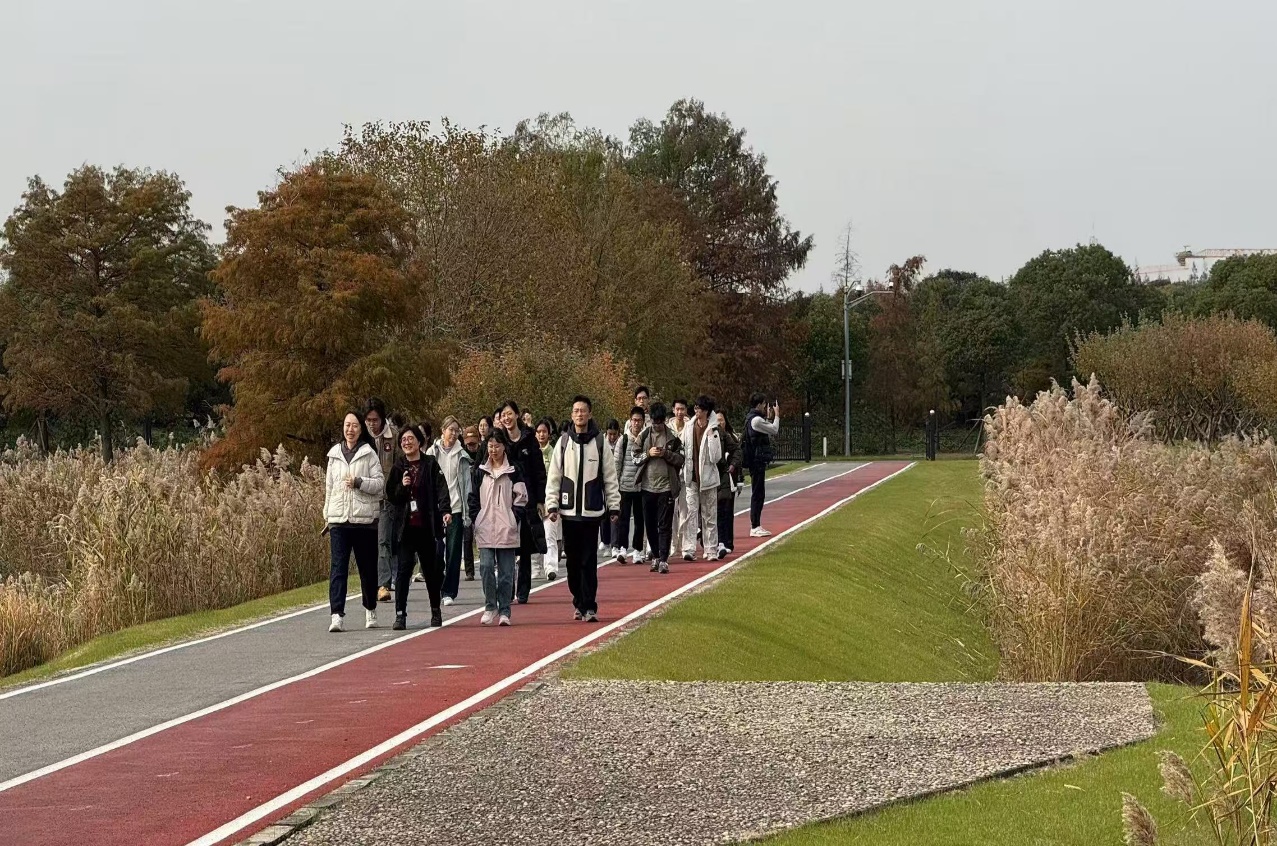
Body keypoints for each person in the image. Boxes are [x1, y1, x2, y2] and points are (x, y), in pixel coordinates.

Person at [547, 395, 621, 622]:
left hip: (592, 513)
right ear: (572, 415)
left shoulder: (599, 442)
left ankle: (589, 606)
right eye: (576, 411)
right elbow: (554, 476)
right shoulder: (563, 443)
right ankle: (578, 600)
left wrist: (614, 506)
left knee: (589, 561)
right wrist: (552, 504)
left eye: (583, 410)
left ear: (590, 414)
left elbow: (610, 477)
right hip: (569, 514)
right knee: (572, 563)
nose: (579, 414)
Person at [385, 425, 452, 630]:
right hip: (406, 529)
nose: (407, 442)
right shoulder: (398, 467)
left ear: (419, 441)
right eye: (403, 440)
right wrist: (402, 486)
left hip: (426, 527)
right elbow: (391, 495)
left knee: (431, 571)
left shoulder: (430, 464)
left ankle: (435, 610)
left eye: (410, 438)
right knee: (403, 571)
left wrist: (445, 510)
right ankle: (400, 614)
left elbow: (442, 489)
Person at [324, 412, 386, 632]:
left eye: (354, 426)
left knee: (367, 569)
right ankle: (336, 615)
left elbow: (379, 484)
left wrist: (359, 482)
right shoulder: (334, 454)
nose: (350, 430)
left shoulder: (369, 453)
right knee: (338, 568)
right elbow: (329, 487)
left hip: (364, 521)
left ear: (361, 429)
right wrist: (327, 515)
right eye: (347, 425)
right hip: (339, 520)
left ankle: (370, 609)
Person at [468, 431, 528, 627]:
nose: (493, 450)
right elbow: (472, 498)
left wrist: (513, 518)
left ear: (504, 447)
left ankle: (504, 610)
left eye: (497, 446)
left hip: (506, 528)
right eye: (490, 446)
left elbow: (521, 498)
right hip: (485, 526)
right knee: (485, 567)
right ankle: (490, 605)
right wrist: (477, 517)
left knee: (506, 573)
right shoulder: (480, 471)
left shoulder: (513, 471)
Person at [497, 400, 546, 604]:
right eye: (503, 415)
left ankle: (523, 590)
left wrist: (540, 500)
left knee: (525, 546)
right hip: (504, 498)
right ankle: (507, 589)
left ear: (517, 415)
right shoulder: (499, 439)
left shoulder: (529, 439)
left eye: (509, 414)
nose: (507, 418)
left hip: (527, 498)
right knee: (506, 545)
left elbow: (539, 471)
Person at [633, 402, 684, 574]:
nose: (657, 425)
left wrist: (666, 454)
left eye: (660, 422)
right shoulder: (644, 435)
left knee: (665, 525)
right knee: (650, 524)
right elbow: (634, 457)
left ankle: (663, 559)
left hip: (666, 487)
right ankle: (655, 555)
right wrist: (648, 454)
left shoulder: (673, 436)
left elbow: (681, 458)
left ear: (664, 420)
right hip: (647, 487)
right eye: (655, 422)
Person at [427, 416, 472, 606]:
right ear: (442, 430)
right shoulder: (431, 452)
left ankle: (449, 591)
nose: (453, 433)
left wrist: (468, 512)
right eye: (450, 430)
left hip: (456, 508)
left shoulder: (462, 455)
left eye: (456, 430)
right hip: (436, 509)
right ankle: (437, 584)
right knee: (436, 552)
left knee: (453, 553)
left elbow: (467, 485)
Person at [363, 398, 399, 604]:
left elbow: (400, 465)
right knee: (370, 543)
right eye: (368, 420)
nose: (371, 424)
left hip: (387, 498)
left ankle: (384, 584)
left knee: (384, 540)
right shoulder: (362, 438)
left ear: (382, 418)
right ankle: (373, 581)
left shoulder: (393, 437)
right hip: (365, 498)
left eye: (375, 420)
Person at [681, 395, 723, 561]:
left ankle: (711, 549)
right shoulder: (689, 427)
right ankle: (689, 549)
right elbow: (682, 446)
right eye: (695, 407)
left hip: (708, 479)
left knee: (709, 516)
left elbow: (716, 457)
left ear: (706, 411)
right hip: (691, 478)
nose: (696, 410)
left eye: (699, 408)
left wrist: (712, 437)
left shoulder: (714, 429)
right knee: (690, 514)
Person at [744, 393, 781, 537]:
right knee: (758, 493)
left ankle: (756, 524)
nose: (766, 407)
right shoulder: (756, 420)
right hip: (756, 460)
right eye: (765, 404)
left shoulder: (752, 418)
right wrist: (777, 415)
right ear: (759, 404)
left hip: (756, 459)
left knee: (759, 492)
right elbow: (774, 429)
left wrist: (768, 418)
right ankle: (755, 526)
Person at [615, 406, 647, 564]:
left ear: (643, 422)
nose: (636, 423)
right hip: (625, 485)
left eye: (639, 420)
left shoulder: (646, 438)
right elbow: (617, 462)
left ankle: (637, 550)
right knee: (624, 518)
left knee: (640, 519)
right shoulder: (623, 439)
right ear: (630, 421)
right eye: (634, 420)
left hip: (641, 485)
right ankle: (622, 548)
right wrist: (615, 484)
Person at [534, 417, 561, 580]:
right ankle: (535, 566)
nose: (541, 434)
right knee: (535, 535)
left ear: (549, 434)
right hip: (535, 500)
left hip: (550, 500)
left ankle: (550, 567)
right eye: (538, 432)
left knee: (550, 534)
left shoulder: (555, 453)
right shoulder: (531, 453)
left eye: (544, 431)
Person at [715, 411, 742, 556]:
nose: (719, 423)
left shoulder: (730, 437)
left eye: (721, 420)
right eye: (716, 420)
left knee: (727, 511)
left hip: (729, 478)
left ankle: (727, 542)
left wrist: (738, 478)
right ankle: (717, 542)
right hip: (714, 478)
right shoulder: (710, 434)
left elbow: (738, 455)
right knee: (716, 511)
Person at [668, 398, 691, 555]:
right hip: (671, 475)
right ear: (673, 410)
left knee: (685, 510)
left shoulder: (690, 427)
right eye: (677, 409)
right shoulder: (668, 428)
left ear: (686, 410)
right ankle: (673, 543)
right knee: (671, 511)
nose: (680, 412)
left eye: (682, 409)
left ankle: (684, 543)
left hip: (686, 475)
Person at [460, 425, 482, 580]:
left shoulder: (484, 453)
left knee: (482, 534)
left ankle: (488, 563)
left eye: (474, 443)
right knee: (467, 537)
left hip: (482, 499)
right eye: (469, 444)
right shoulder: (462, 456)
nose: (471, 446)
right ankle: (469, 570)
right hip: (467, 499)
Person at [601, 419, 622, 555]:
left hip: (618, 481)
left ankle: (615, 545)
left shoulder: (622, 442)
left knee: (615, 513)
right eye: (610, 434)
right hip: (604, 481)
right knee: (603, 513)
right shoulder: (601, 443)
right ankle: (606, 542)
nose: (612, 437)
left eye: (615, 434)